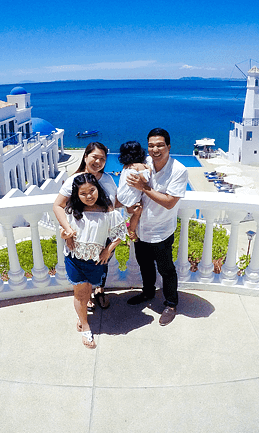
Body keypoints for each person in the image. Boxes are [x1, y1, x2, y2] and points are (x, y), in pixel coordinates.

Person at [125, 128, 188, 326]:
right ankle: (148, 293)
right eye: (151, 145)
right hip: (141, 227)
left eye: (160, 145)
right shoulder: (145, 164)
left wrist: (144, 187)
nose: (155, 149)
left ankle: (171, 304)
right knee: (144, 264)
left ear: (168, 147)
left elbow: (170, 202)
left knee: (166, 269)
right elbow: (129, 189)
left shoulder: (178, 170)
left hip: (161, 230)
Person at [58, 173, 127, 348]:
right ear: (77, 194)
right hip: (74, 259)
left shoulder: (108, 211)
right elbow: (66, 234)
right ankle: (85, 327)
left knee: (88, 291)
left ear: (98, 189)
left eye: (92, 190)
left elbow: (120, 235)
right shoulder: (72, 211)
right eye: (83, 193)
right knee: (80, 294)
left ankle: (82, 317)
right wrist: (66, 237)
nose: (89, 196)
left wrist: (107, 251)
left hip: (96, 261)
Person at [53, 142, 117, 309]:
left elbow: (113, 205)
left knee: (103, 263)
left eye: (102, 159)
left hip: (104, 233)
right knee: (83, 263)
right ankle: (85, 295)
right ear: (86, 156)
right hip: (80, 235)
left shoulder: (108, 179)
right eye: (95, 157)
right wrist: (68, 230)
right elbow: (58, 205)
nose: (98, 162)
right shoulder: (74, 180)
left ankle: (99, 290)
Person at [116, 141, 150, 241]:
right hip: (131, 198)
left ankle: (129, 229)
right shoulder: (140, 166)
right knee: (135, 214)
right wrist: (149, 170)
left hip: (122, 195)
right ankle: (132, 232)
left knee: (128, 215)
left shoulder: (126, 166)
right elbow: (146, 179)